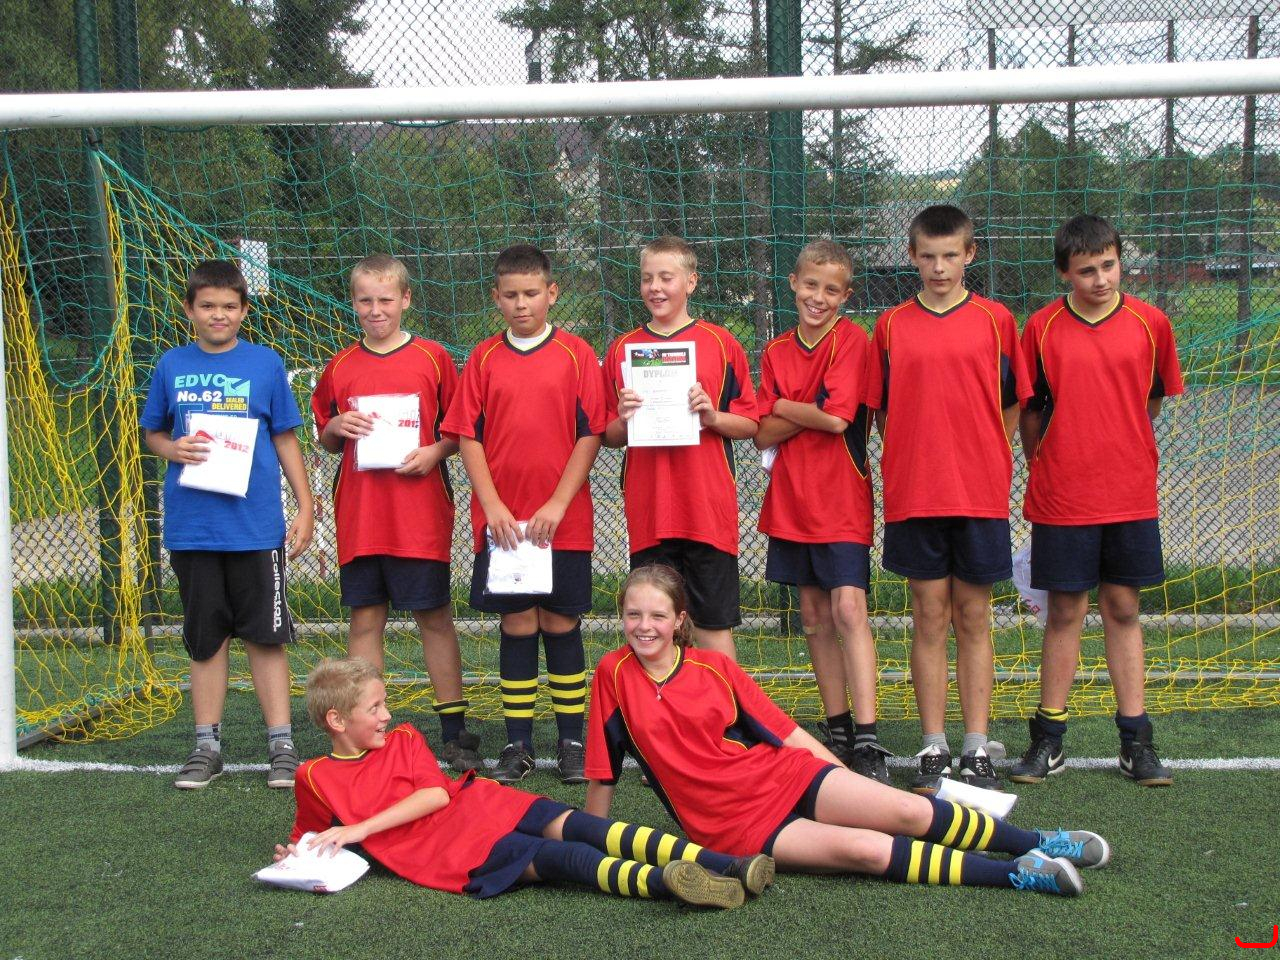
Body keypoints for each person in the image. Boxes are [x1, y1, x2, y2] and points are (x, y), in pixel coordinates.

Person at [584, 566, 1111, 897]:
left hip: (782, 774)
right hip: (731, 825)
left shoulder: (714, 667)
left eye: (657, 615)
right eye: (633, 614)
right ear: (621, 617)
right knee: (867, 851)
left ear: (680, 620)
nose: (644, 626)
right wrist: (594, 841)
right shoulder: (611, 675)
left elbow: (786, 733)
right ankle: (1019, 873)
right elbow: (604, 770)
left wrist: (843, 782)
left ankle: (1040, 841)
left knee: (906, 810)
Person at [275, 657, 769, 909]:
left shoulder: (404, 738)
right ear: (337, 720)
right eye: (375, 708)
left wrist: (359, 829)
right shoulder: (313, 775)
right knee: (562, 859)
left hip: (481, 805)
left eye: (384, 704)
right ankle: (669, 884)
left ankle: (729, 865)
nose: (387, 714)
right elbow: (310, 833)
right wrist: (294, 854)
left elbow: (435, 794)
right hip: (451, 852)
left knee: (588, 828)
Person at [1010, 215, 1185, 788]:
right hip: (1063, 497)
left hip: (1129, 494)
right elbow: (1031, 412)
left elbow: (1151, 400)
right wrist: (1053, 463)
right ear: (1065, 272)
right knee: (1064, 611)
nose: (1101, 279)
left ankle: (1136, 742)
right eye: (1087, 270)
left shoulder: (1151, 323)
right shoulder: (1041, 328)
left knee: (1124, 608)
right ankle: (1048, 739)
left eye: (1109, 265)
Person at [863, 205, 1032, 793]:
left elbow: (1013, 400)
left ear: (969, 255)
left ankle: (976, 746)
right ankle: (933, 744)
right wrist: (914, 453)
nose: (939, 267)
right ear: (912, 257)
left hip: (978, 493)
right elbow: (882, 408)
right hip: (916, 493)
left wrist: (988, 452)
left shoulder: (996, 320)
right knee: (929, 616)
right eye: (928, 256)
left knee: (974, 616)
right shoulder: (890, 325)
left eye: (950, 256)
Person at [140, 259, 313, 790]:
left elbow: (284, 435)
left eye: (230, 306)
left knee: (265, 637)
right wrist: (173, 448)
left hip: (254, 528)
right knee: (206, 639)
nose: (219, 315)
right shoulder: (171, 364)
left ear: (243, 310)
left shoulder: (265, 363)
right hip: (194, 528)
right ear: (190, 309)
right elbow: (153, 433)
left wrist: (306, 504)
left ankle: (281, 745)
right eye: (208, 305)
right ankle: (206, 746)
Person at [441, 245, 604, 785]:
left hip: (563, 523)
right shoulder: (484, 358)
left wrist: (557, 503)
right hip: (504, 527)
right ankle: (518, 744)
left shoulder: (578, 354)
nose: (521, 303)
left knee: (560, 622)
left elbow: (591, 433)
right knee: (516, 624)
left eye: (531, 293)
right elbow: (466, 435)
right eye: (510, 295)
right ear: (496, 298)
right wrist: (492, 506)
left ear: (551, 293)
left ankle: (572, 741)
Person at [310, 254, 478, 772]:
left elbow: (459, 429)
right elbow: (325, 436)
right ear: (353, 303)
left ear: (406, 299)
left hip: (418, 517)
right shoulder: (340, 365)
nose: (375, 309)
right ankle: (364, 727)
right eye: (365, 300)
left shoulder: (434, 358)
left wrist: (434, 452)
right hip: (361, 516)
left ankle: (454, 730)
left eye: (385, 299)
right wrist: (336, 426)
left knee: (434, 616)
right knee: (366, 619)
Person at [754, 239, 888, 783]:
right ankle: (839, 729)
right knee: (812, 618)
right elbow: (761, 432)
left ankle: (869, 738)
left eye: (831, 290)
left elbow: (838, 420)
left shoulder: (852, 341)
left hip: (842, 500)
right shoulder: (775, 350)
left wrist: (782, 405)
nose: (818, 297)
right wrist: (805, 409)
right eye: (810, 285)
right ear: (793, 283)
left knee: (849, 611)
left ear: (846, 296)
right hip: (791, 500)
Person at [601, 235, 758, 659]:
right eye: (647, 278)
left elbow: (750, 422)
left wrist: (711, 417)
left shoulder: (722, 343)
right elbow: (608, 436)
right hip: (650, 510)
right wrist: (624, 417)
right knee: (653, 625)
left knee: (712, 624)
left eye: (666, 278)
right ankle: (659, 702)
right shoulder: (623, 349)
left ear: (691, 282)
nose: (655, 287)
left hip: (706, 510)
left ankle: (725, 701)